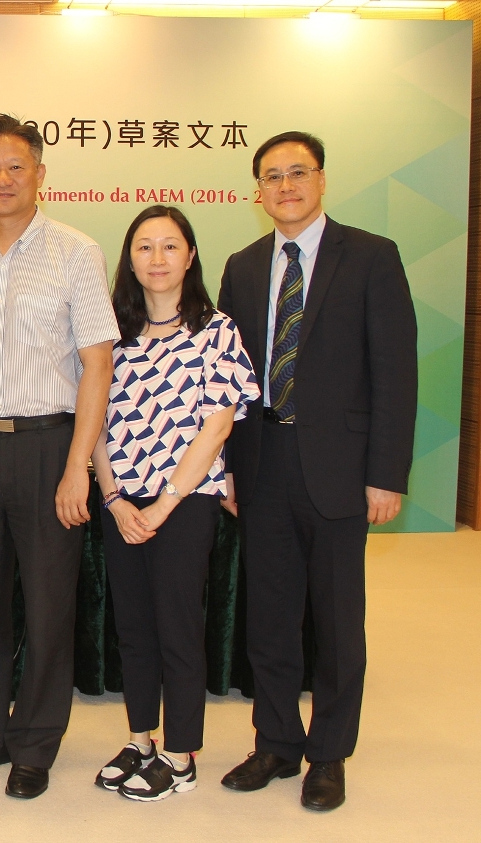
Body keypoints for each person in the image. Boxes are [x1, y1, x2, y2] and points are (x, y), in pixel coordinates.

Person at [217, 131, 417, 811]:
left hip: (339, 466)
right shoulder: (242, 266)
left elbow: (396, 371)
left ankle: (328, 752)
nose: (285, 186)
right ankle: (276, 740)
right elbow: (230, 380)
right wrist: (229, 468)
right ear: (257, 192)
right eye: (271, 176)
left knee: (337, 618)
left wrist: (386, 472)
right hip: (263, 460)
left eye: (297, 172)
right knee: (269, 616)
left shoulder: (371, 256)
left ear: (322, 179)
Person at [0, 114, 118, 799]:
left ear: (40, 174)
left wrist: (77, 466)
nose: (2, 179)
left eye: (16, 167)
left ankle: (35, 741)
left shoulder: (77, 251)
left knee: (46, 607)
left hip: (48, 448)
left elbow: (97, 362)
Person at [89, 205, 258, 802]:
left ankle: (182, 753)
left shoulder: (218, 330)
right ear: (128, 258)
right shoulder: (110, 334)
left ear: (190, 255)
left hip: (184, 503)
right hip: (121, 502)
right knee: (133, 629)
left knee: (177, 627)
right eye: (143, 247)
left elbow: (216, 428)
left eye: (169, 246)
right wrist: (112, 498)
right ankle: (142, 739)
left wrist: (162, 505)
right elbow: (94, 425)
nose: (156, 259)